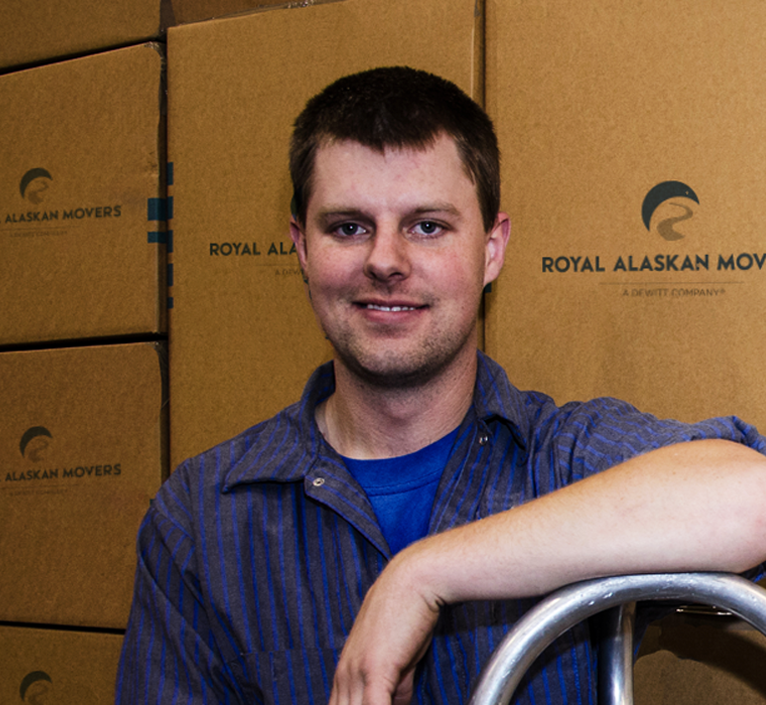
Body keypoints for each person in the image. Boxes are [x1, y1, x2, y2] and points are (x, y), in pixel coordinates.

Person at [115, 66, 766, 705]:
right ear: (301, 248)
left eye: (427, 225)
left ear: (491, 249)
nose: (385, 260)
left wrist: (422, 575)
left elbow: (753, 496)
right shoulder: (202, 518)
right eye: (348, 226)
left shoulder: (562, 459)